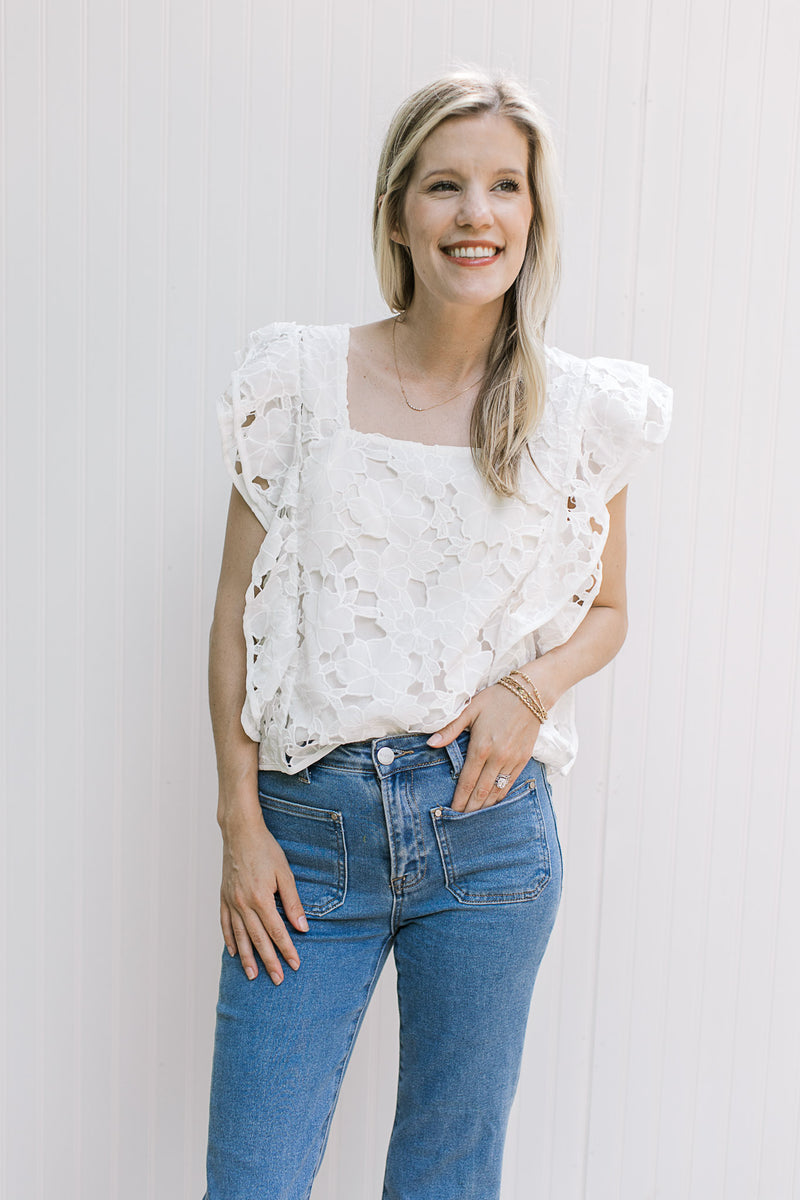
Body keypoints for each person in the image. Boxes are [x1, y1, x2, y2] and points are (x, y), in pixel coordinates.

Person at [203, 70, 672, 1200]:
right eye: (445, 186)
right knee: (252, 1177)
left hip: (489, 841)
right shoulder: (299, 381)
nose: (476, 213)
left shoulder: (577, 411)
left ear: (532, 214)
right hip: (305, 837)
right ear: (397, 211)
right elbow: (232, 620)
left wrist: (530, 690)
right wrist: (237, 824)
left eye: (504, 186)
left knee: (447, 1176)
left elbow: (608, 614)